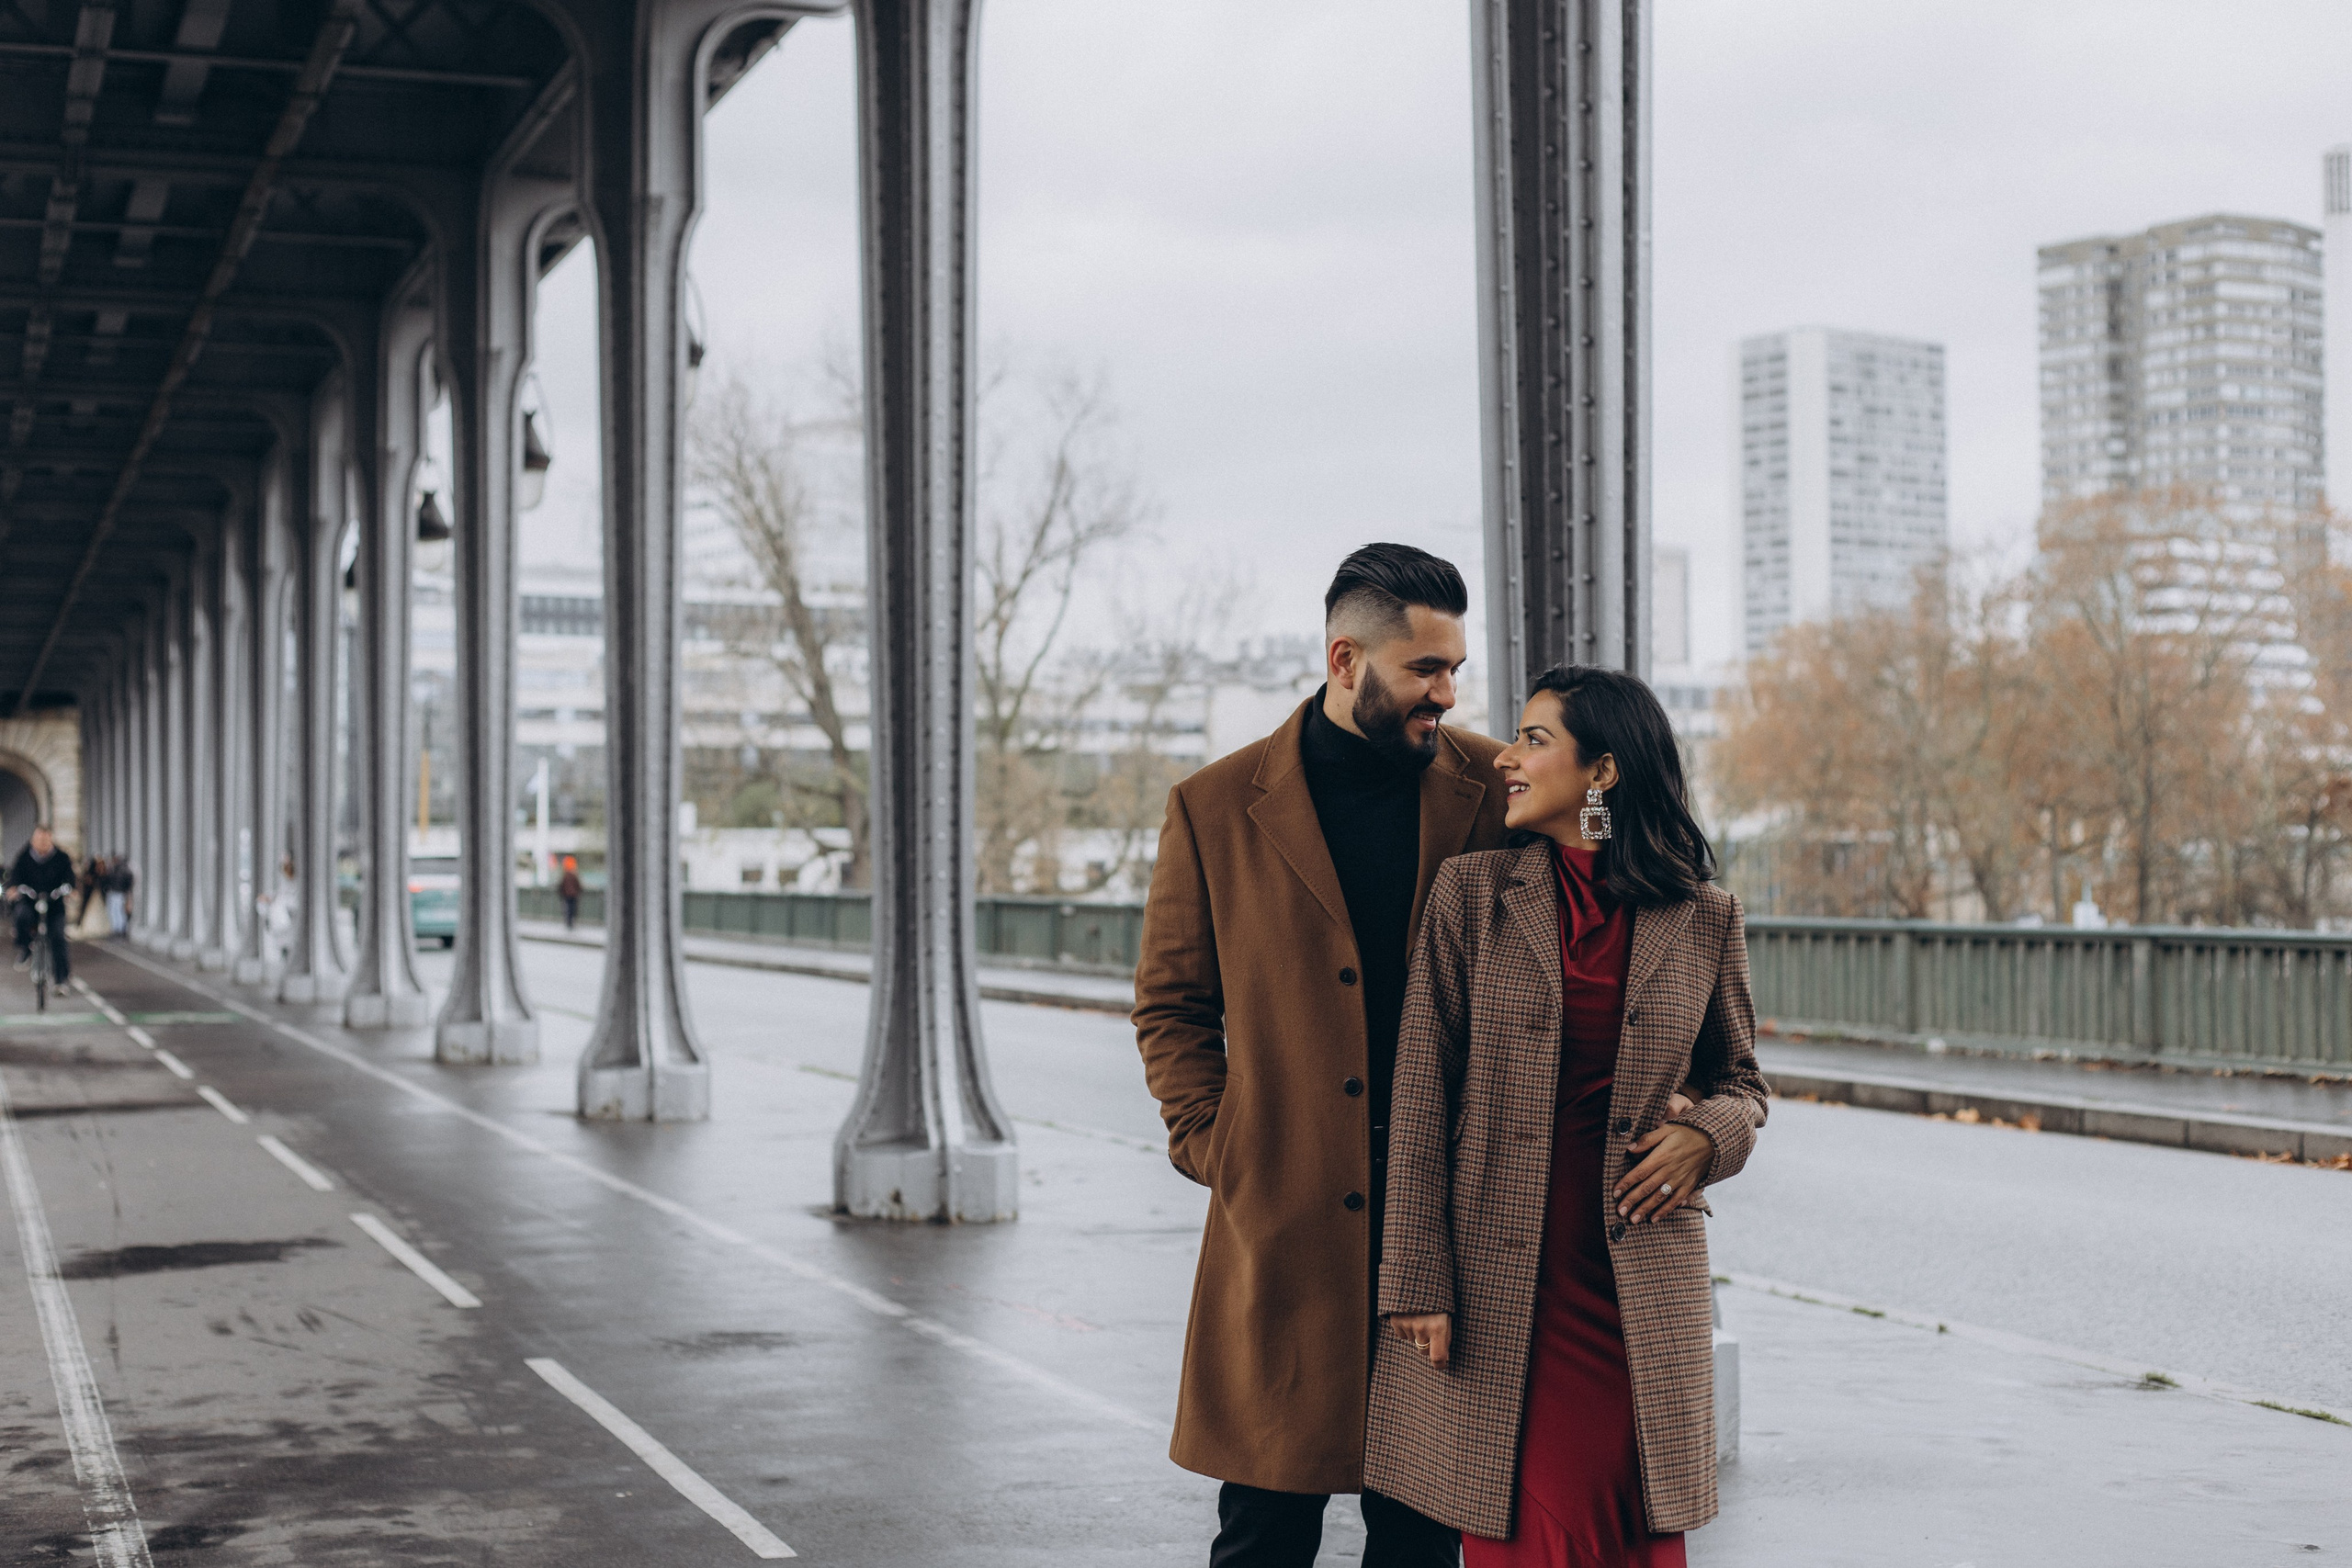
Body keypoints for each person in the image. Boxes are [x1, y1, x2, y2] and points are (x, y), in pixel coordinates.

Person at [1136, 544, 1513, 1567]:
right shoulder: (1213, 808)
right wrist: (1217, 1145)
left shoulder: (1491, 787)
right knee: (1262, 1528)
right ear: (1347, 661)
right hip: (1285, 1218)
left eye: (1454, 669)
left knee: (1424, 1533)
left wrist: (1609, 786)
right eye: (1425, 670)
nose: (1446, 691)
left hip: (1444, 1225)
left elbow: (1604, 858)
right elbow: (1171, 1006)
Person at [1365, 666, 1770, 1566]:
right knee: (1529, 1528)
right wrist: (1415, 1278)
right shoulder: (1471, 897)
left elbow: (1740, 1080)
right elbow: (1421, 1096)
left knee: (1629, 1532)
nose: (1505, 757)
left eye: (1534, 739)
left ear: (1604, 772)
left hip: (1637, 1283)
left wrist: (1709, 1135)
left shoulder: (1703, 917)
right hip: (1501, 1284)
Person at [8, 824, 78, 985]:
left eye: (45, 840)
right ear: (33, 840)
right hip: (30, 902)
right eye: (38, 839)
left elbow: (70, 877)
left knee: (59, 938)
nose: (41, 843)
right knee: (20, 917)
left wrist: (71, 890)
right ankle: (25, 948)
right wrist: (14, 889)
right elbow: (16, 875)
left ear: (51, 840)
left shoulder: (61, 857)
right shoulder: (24, 856)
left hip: (54, 905)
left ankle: (61, 980)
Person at [105, 854, 134, 937]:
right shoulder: (127, 871)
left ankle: (117, 929)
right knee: (120, 911)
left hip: (115, 892)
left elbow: (109, 880)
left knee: (115, 911)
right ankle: (121, 929)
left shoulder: (115, 870)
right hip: (121, 893)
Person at [558, 856, 582, 930]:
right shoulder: (574, 875)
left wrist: (561, 893)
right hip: (574, 895)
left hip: (567, 895)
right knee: (573, 908)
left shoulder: (565, 875)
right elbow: (578, 885)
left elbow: (561, 885)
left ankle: (568, 922)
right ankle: (571, 922)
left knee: (568, 908)